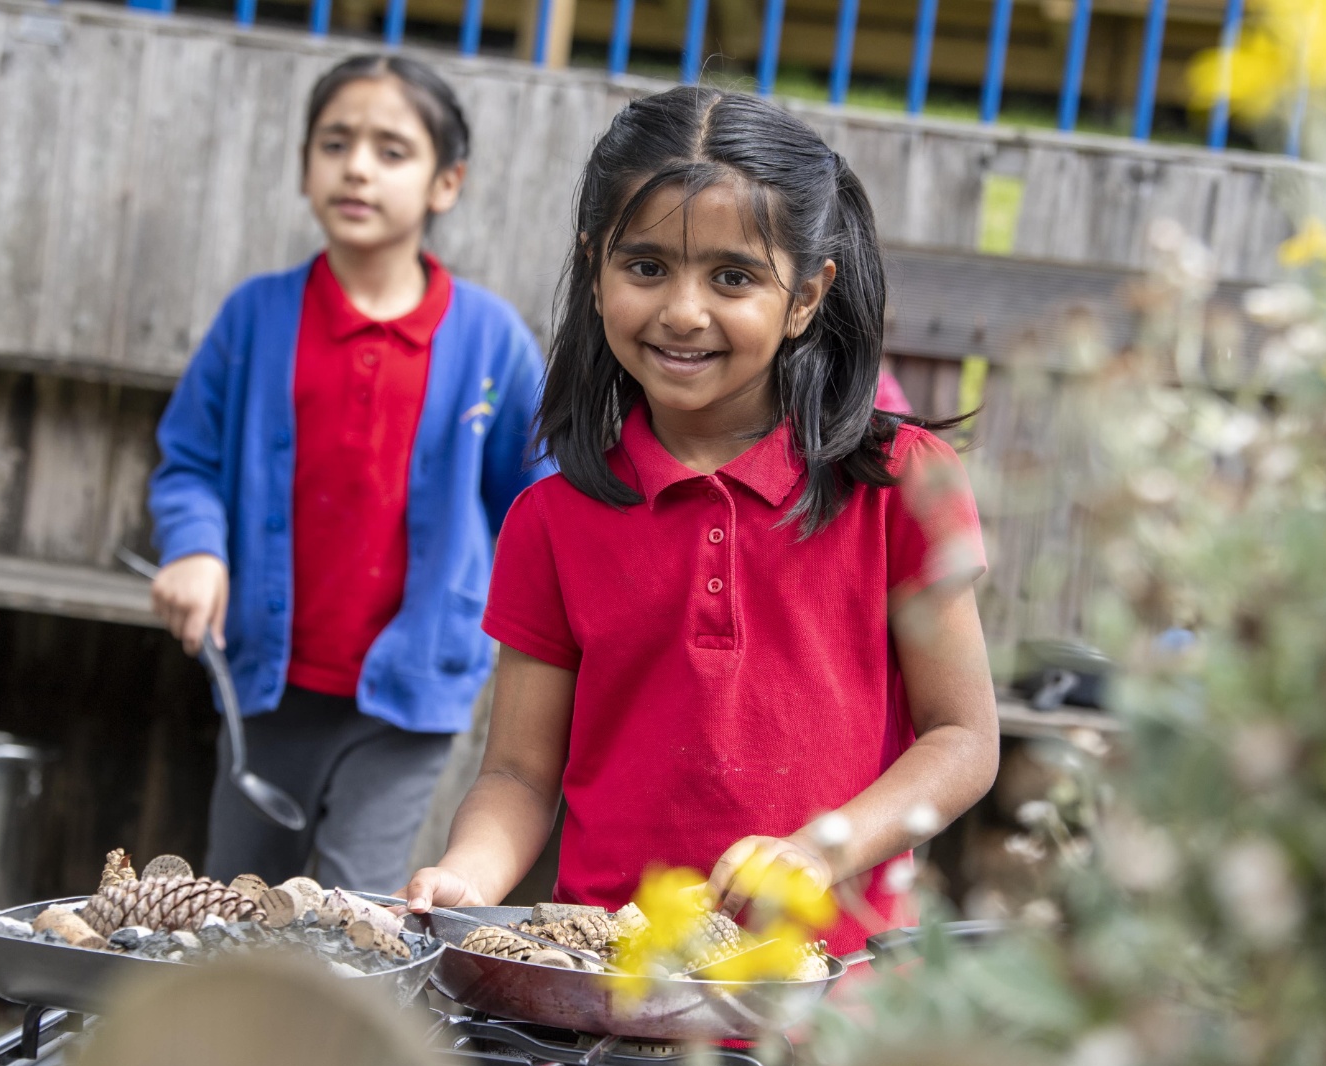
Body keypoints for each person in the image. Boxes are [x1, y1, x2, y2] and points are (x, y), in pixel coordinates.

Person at [400, 88, 999, 955]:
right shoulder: (551, 520)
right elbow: (520, 773)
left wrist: (821, 850)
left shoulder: (899, 485)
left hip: (828, 994)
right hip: (606, 980)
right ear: (594, 267)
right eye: (646, 267)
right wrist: (468, 875)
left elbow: (963, 738)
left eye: (733, 277)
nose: (683, 311)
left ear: (805, 297)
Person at [148, 54, 550, 893]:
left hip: (409, 700)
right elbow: (187, 461)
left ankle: (346, 1028)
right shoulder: (255, 318)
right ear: (305, 166)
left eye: (391, 149)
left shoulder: (490, 340)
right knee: (233, 907)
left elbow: (538, 504)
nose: (358, 166)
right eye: (335, 143)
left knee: (354, 911)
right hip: (262, 685)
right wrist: (194, 547)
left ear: (446, 183)